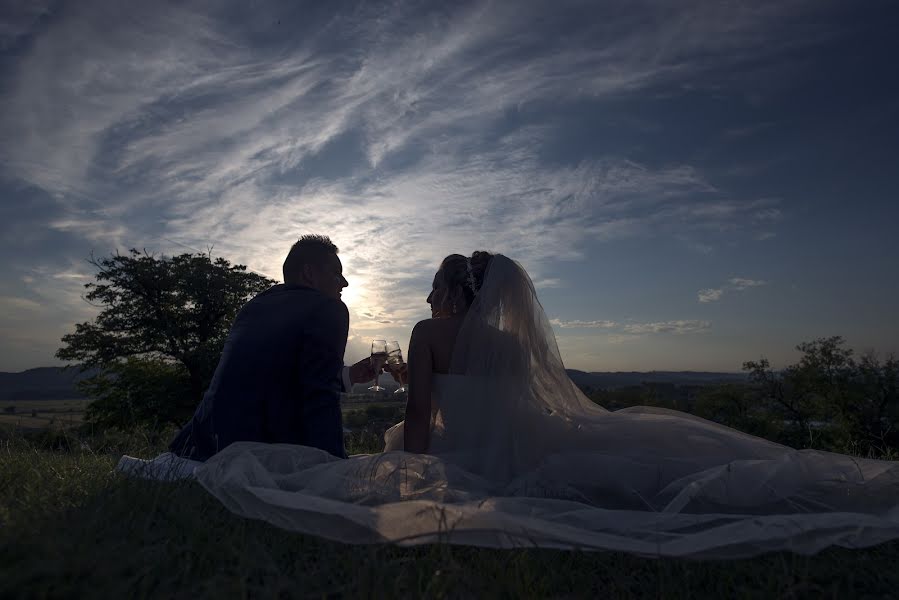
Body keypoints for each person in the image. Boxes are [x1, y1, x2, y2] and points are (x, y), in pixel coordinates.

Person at [188, 250, 899, 559]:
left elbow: (426, 417)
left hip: (471, 457)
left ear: (447, 292)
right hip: (543, 438)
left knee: (399, 456)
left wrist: (413, 469)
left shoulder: (429, 333)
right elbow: (494, 397)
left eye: (433, 292)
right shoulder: (510, 342)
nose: (429, 301)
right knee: (652, 472)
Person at [168, 235, 377, 461]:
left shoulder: (254, 306)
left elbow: (278, 376)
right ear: (309, 274)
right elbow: (319, 395)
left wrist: (348, 375)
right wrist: (335, 464)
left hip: (203, 447)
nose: (344, 283)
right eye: (336, 274)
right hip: (262, 453)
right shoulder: (328, 307)